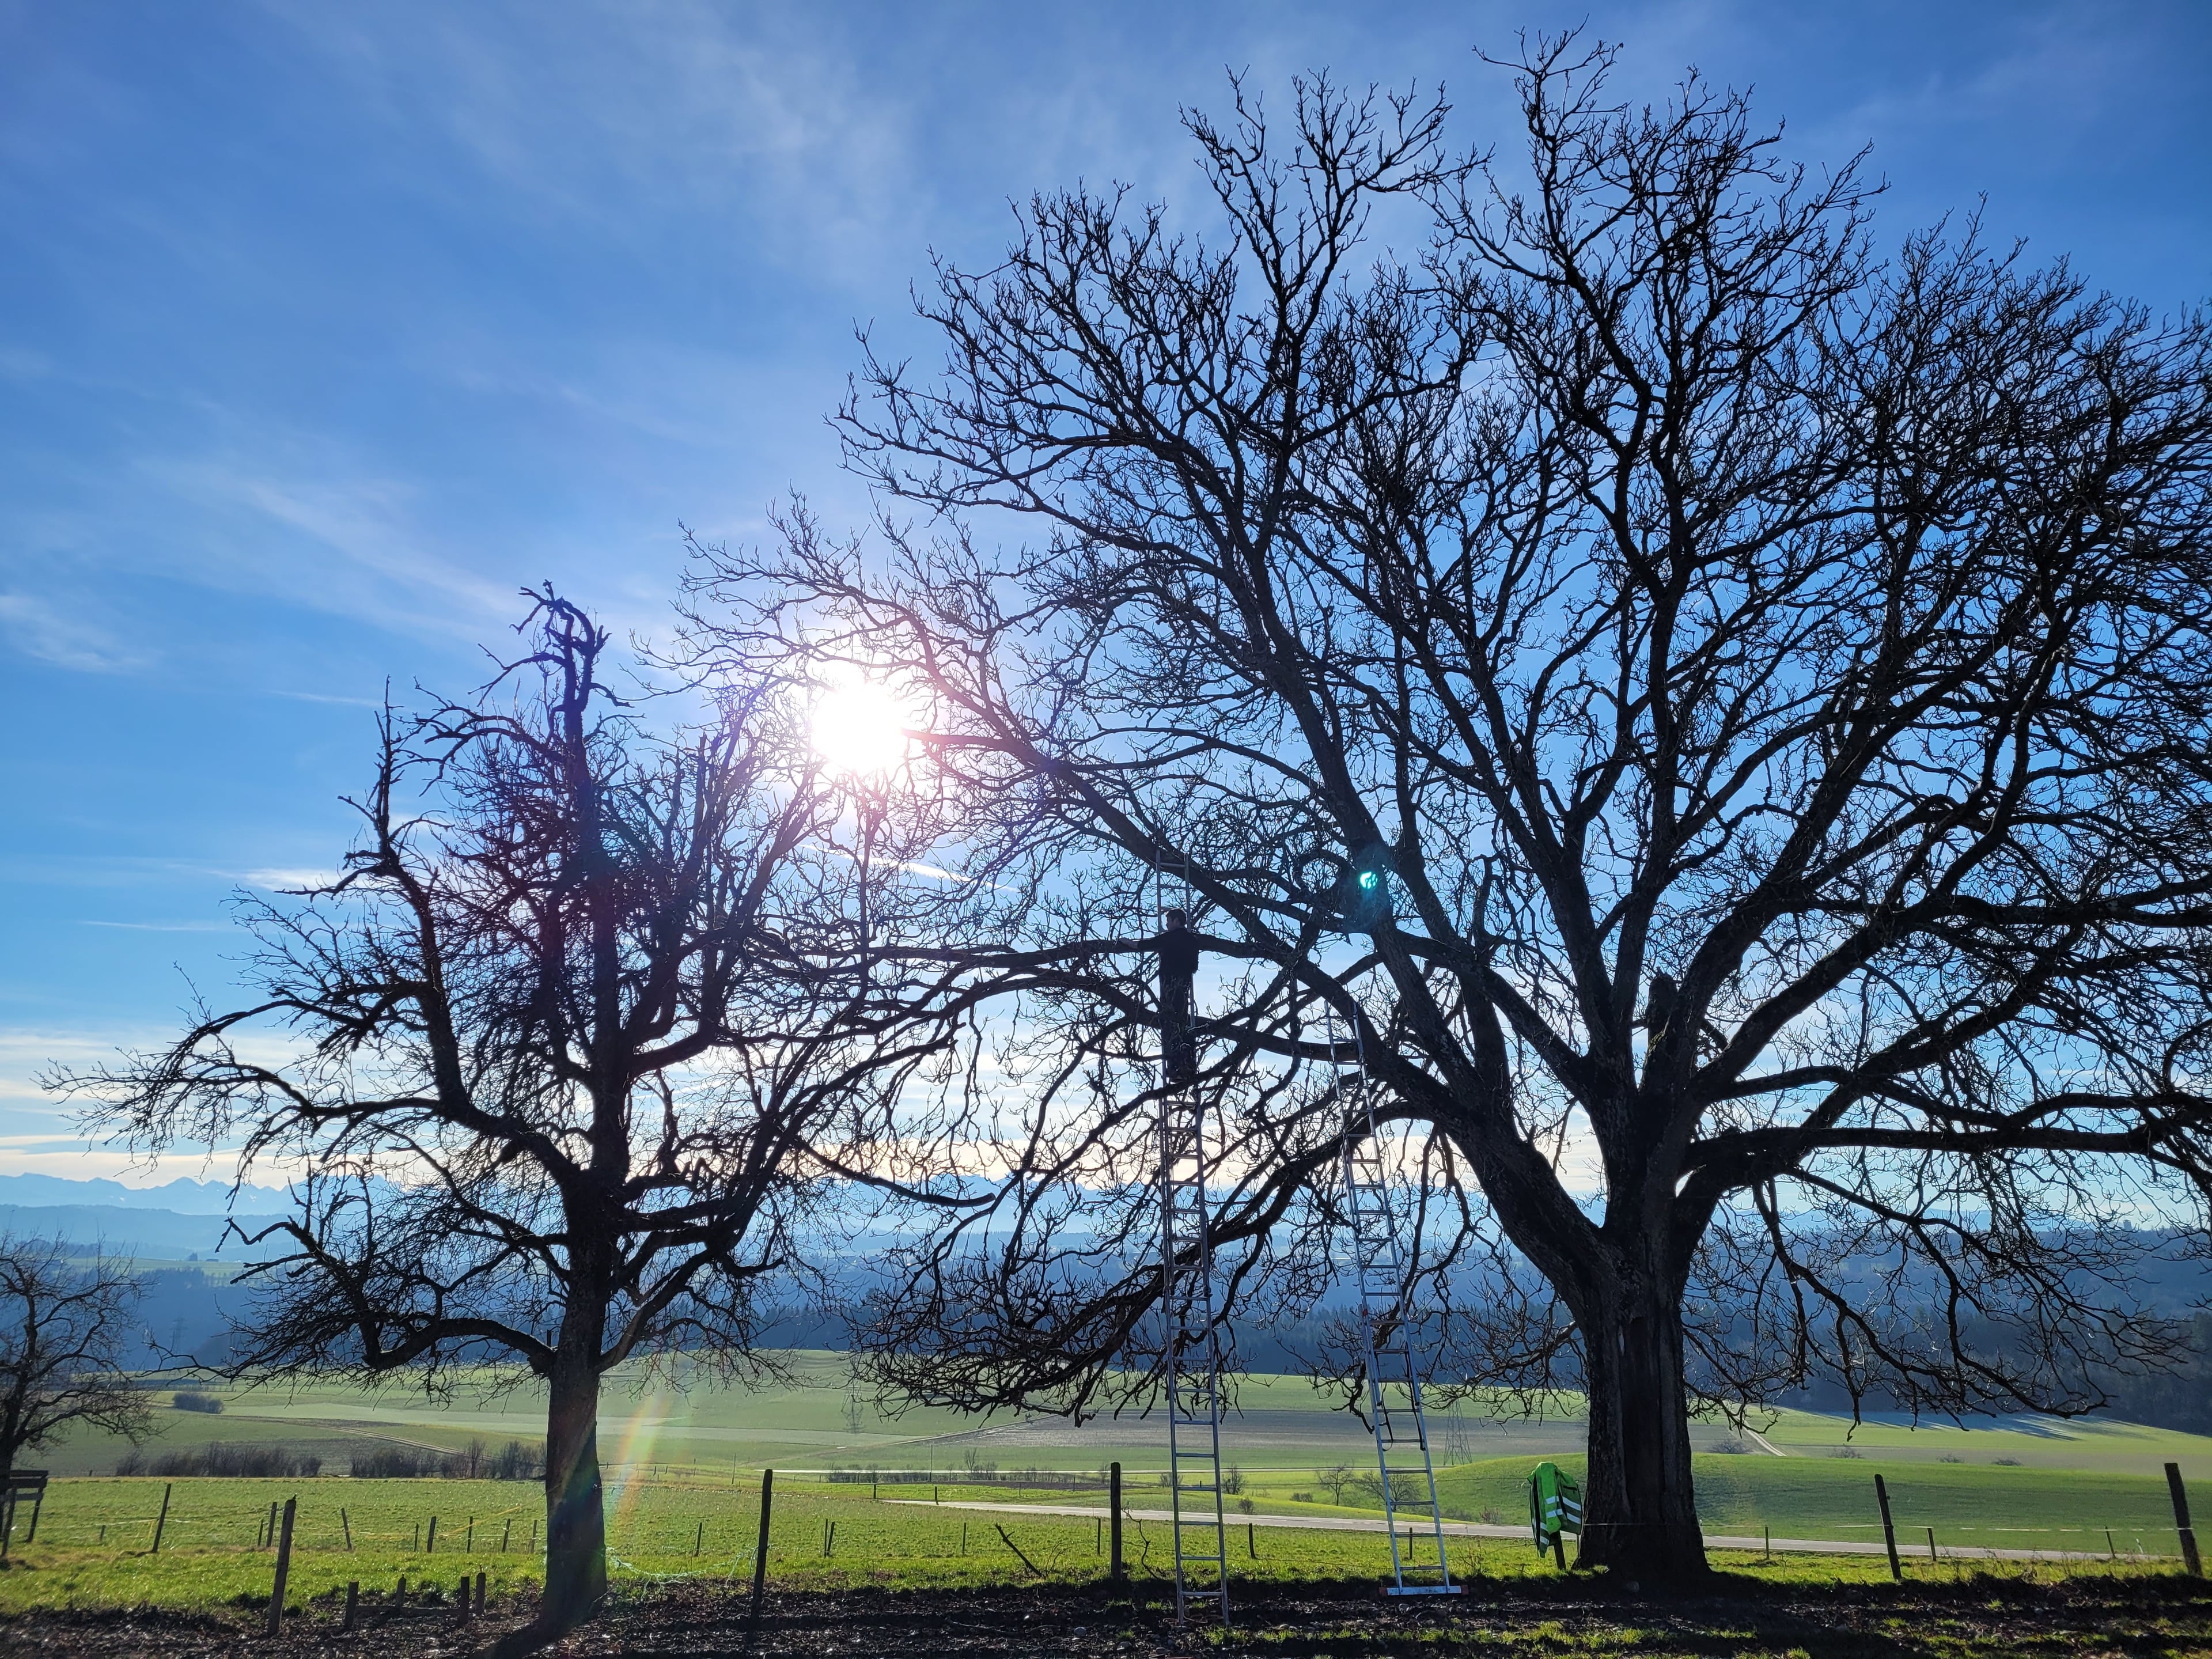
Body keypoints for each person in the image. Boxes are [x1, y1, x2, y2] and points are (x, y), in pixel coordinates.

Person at [1158, 907, 1199, 1087]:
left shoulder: (1169, 938)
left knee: (1170, 1026)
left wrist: (1127, 942)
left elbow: (1145, 944)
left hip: (1170, 987)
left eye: (1169, 921)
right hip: (1184, 987)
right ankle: (1189, 1066)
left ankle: (1175, 1068)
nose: (1166, 925)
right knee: (1184, 1025)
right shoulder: (1192, 940)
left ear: (1176, 921)